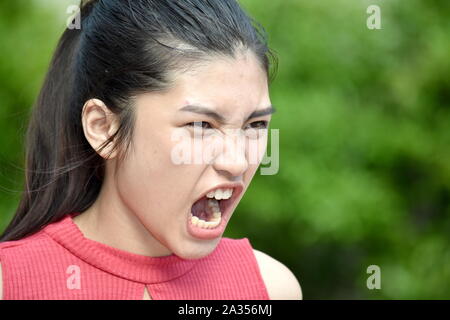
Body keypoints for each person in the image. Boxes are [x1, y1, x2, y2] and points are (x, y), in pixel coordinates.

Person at [0, 0, 302, 300]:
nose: (237, 163)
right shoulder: (10, 283)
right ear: (104, 128)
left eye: (255, 125)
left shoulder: (270, 289)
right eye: (201, 125)